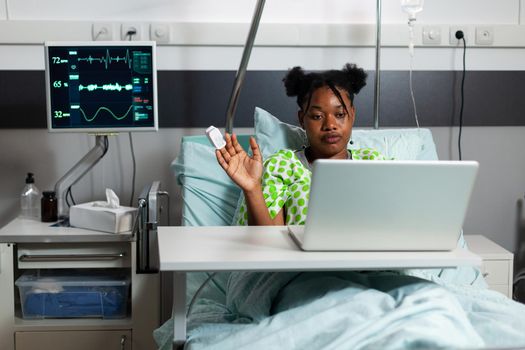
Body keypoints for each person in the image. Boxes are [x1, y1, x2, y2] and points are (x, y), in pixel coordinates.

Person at [216, 63, 384, 226]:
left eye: (340, 114)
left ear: (352, 115)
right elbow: (267, 239)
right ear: (302, 119)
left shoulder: (374, 162)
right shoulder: (284, 166)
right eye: (317, 116)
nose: (330, 125)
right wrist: (253, 189)